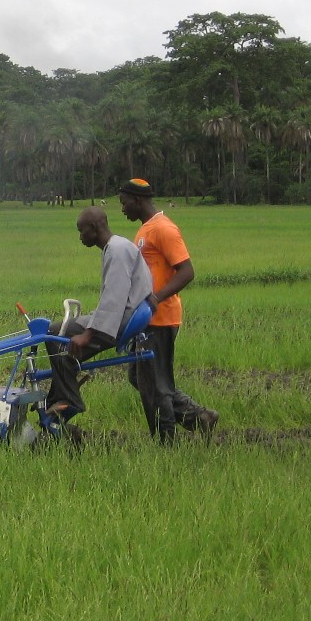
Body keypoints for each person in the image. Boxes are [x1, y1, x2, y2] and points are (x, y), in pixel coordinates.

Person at [118, 178, 218, 443]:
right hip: (145, 319)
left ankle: (166, 444)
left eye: (124, 202)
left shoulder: (163, 229)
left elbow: (186, 272)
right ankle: (199, 417)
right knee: (140, 379)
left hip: (159, 318)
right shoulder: (145, 230)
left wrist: (155, 299)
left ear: (137, 201)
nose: (122, 209)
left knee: (155, 385)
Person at [42, 206, 153, 435]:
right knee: (62, 344)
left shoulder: (117, 250)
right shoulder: (115, 247)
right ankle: (57, 400)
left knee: (54, 334)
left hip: (120, 321)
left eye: (81, 231)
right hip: (120, 317)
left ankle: (67, 400)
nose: (80, 237)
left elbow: (114, 298)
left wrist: (88, 334)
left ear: (94, 228)